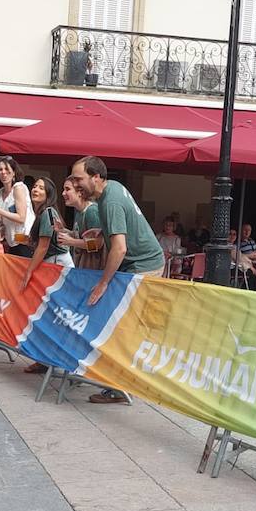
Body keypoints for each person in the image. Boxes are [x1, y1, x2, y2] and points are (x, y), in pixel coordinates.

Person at [71, 156, 163, 404]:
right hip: (139, 264)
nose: (75, 184)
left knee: (121, 326)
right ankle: (121, 382)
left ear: (96, 177)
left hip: (142, 265)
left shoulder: (109, 200)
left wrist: (103, 283)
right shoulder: (111, 190)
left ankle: (120, 388)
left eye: (79, 179)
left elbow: (119, 248)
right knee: (121, 324)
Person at [0, 155, 32, 257]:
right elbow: (4, 217)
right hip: (10, 239)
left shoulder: (18, 188)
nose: (3, 172)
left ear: (14, 172)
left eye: (7, 169)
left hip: (22, 237)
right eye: (0, 170)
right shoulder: (0, 193)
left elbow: (21, 218)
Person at [56, 176, 102, 269]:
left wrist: (71, 242)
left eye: (67, 189)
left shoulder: (91, 211)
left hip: (93, 271)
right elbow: (80, 235)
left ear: (80, 192)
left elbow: (97, 244)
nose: (63, 193)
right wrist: (65, 231)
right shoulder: (79, 211)